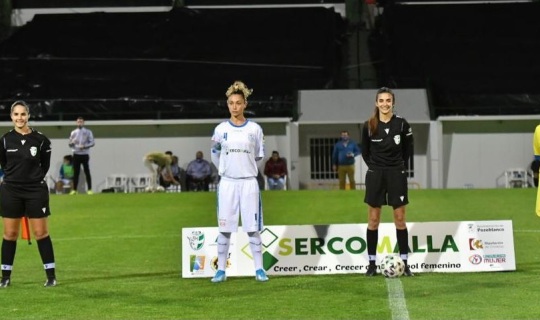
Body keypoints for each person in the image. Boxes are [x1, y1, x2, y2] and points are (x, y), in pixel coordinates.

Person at [210, 80, 268, 282]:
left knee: (252, 228)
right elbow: (215, 155)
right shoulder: (220, 130)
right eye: (231, 103)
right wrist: (226, 170)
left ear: (245, 105)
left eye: (238, 103)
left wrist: (246, 170)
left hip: (248, 183)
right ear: (228, 105)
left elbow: (259, 156)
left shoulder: (255, 129)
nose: (235, 106)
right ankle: (221, 270)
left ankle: (259, 269)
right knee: (225, 229)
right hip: (227, 183)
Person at [0, 101, 57, 287]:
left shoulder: (41, 140)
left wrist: (32, 179)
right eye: (16, 114)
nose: (19, 118)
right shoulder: (5, 140)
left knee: (41, 232)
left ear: (29, 116)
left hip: (35, 190)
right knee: (10, 233)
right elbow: (4, 165)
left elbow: (45, 166)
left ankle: (50, 276)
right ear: (11, 117)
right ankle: (5, 277)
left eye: (23, 114)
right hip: (11, 190)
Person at [361, 87, 414, 277]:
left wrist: (397, 167)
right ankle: (372, 264)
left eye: (388, 100)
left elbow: (408, 150)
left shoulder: (402, 124)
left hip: (396, 174)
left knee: (400, 219)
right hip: (376, 174)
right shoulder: (368, 125)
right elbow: (365, 152)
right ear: (376, 103)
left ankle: (405, 262)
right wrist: (376, 167)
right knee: (373, 220)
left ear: (393, 102)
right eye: (381, 100)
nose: (385, 104)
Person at [68, 117, 95, 195]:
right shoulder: (73, 132)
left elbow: (92, 142)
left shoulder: (88, 132)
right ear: (76, 123)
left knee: (87, 171)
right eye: (78, 122)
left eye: (81, 122)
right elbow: (69, 144)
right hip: (76, 154)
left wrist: (85, 146)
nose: (79, 123)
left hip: (85, 154)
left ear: (83, 123)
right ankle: (74, 190)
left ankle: (89, 189)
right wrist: (72, 142)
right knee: (76, 173)